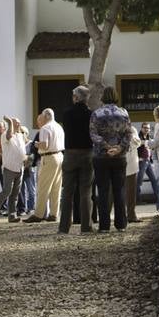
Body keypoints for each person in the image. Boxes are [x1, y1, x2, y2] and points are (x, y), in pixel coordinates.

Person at [89, 87, 131, 232]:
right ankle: (121, 224)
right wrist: (119, 148)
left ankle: (104, 226)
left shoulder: (97, 113)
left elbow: (93, 135)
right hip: (119, 157)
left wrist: (107, 147)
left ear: (103, 97)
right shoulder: (124, 113)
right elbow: (128, 134)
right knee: (119, 190)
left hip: (101, 156)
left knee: (103, 191)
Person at [58, 86, 94, 234]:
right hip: (87, 152)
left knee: (67, 192)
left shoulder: (67, 113)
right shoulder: (91, 114)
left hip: (71, 153)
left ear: (76, 97)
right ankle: (86, 227)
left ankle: (64, 227)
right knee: (86, 191)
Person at [25, 108, 64, 222]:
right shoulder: (59, 127)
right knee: (56, 187)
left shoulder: (45, 128)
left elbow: (44, 145)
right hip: (60, 156)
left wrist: (34, 143)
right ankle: (53, 214)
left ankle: (38, 214)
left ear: (46, 116)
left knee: (43, 187)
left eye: (41, 116)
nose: (40, 118)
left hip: (48, 157)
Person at [0, 117, 28, 222]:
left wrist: (26, 159)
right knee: (7, 191)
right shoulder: (5, 135)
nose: (18, 125)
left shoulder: (21, 136)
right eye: (15, 123)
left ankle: (12, 215)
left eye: (18, 123)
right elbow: (9, 135)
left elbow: (22, 150)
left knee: (15, 194)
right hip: (9, 168)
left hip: (19, 167)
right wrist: (10, 123)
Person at [124, 122, 142, 224]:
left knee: (131, 192)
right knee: (115, 192)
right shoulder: (115, 128)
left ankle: (131, 215)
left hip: (131, 165)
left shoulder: (132, 129)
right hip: (120, 163)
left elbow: (137, 142)